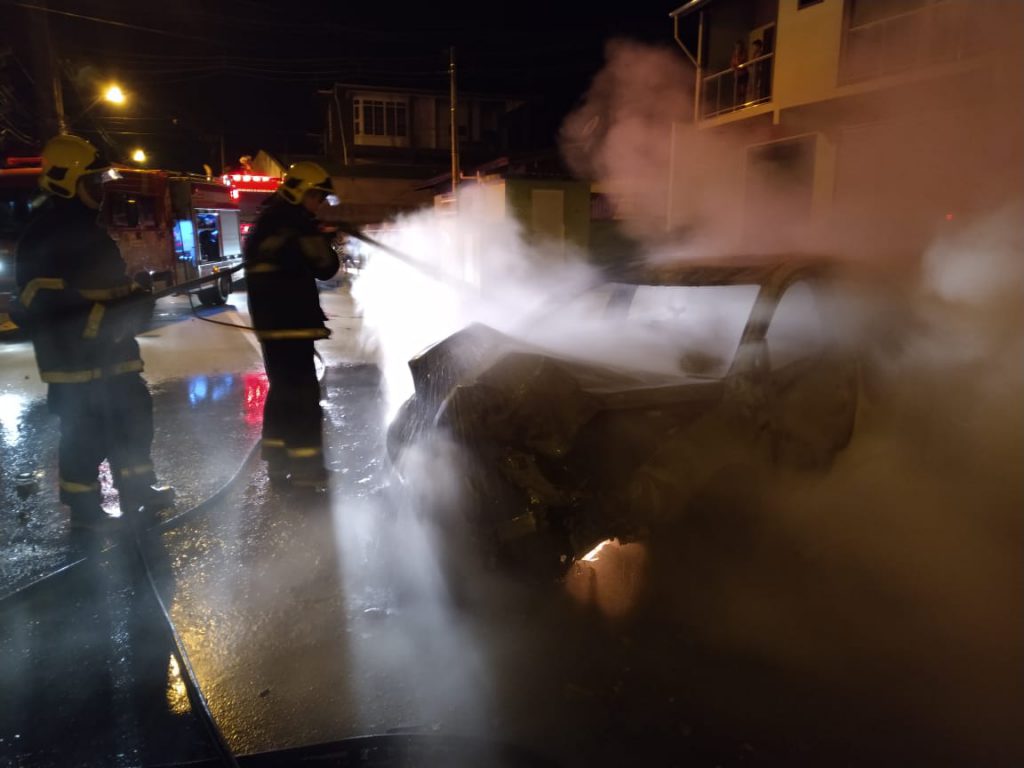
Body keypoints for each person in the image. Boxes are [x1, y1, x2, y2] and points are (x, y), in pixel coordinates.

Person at [14, 134, 174, 528]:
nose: (100, 193)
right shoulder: (46, 234)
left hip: (115, 358)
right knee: (85, 438)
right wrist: (106, 320)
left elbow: (112, 288)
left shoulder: (91, 230)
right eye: (92, 183)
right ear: (67, 181)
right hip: (77, 365)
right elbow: (40, 303)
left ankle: (139, 491)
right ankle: (84, 509)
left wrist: (138, 297)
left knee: (134, 424)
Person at [243, 161, 339, 488]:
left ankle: (278, 461)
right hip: (293, 323)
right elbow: (325, 267)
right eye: (319, 198)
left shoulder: (265, 222)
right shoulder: (297, 225)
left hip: (271, 326)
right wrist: (323, 237)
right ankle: (305, 471)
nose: (320, 205)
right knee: (303, 399)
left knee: (283, 393)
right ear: (303, 193)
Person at [730, 39, 749, 107]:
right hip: (737, 75)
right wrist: (734, 66)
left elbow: (740, 61)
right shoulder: (734, 54)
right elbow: (732, 64)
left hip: (743, 74)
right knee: (737, 91)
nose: (737, 47)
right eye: (736, 46)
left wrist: (737, 56)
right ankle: (737, 104)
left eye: (738, 46)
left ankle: (742, 104)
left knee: (743, 90)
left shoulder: (744, 53)